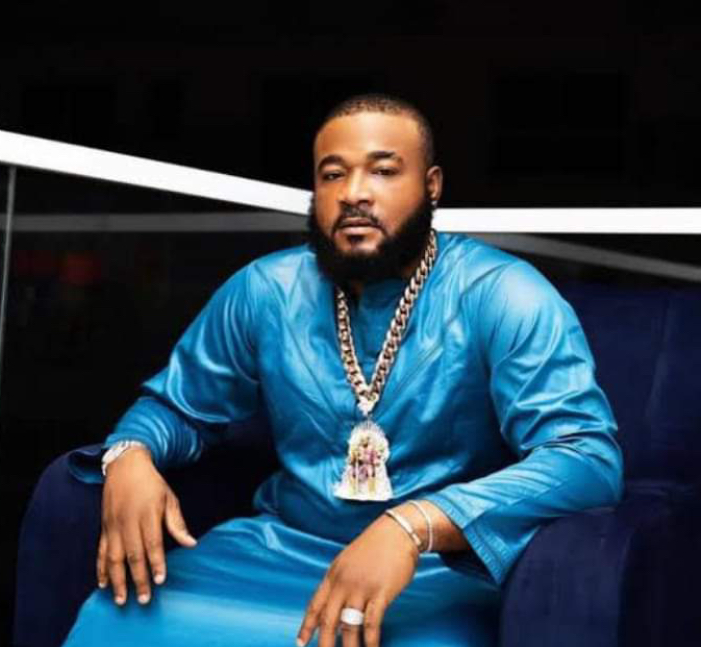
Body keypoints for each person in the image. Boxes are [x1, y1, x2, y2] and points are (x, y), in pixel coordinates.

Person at [62, 94, 623, 647]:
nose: (354, 193)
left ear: (431, 186)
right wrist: (130, 455)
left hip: (433, 569)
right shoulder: (266, 289)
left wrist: (415, 525)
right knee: (122, 619)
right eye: (333, 175)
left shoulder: (504, 294)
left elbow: (585, 456)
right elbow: (177, 407)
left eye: (383, 171)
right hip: (276, 551)